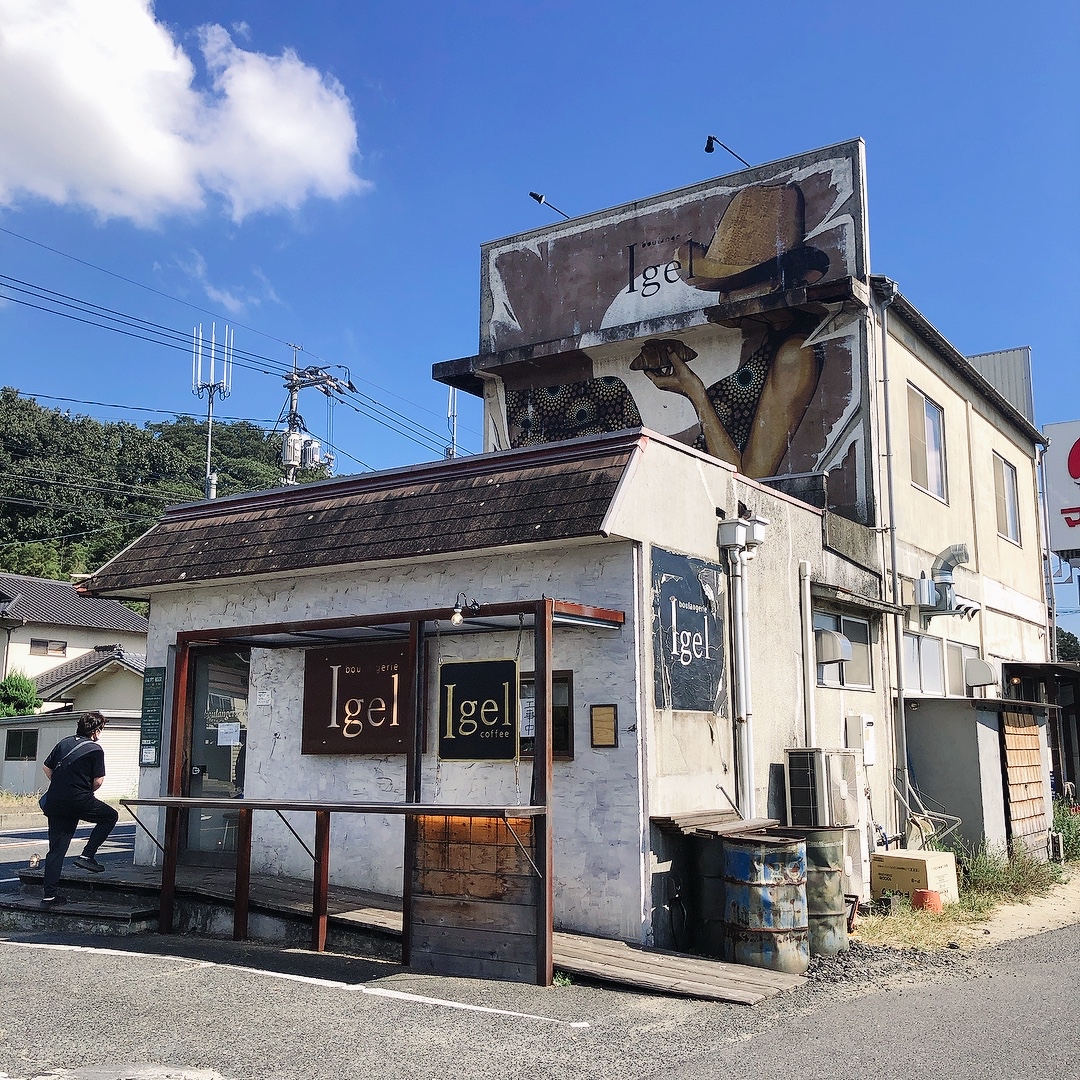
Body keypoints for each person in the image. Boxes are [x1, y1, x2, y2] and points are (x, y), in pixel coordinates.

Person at [39, 711, 119, 904]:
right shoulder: (95, 750)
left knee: (56, 850)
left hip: (56, 801)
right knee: (110, 816)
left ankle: (49, 895)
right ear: (95, 731)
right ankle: (87, 854)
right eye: (101, 729)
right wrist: (81, 789)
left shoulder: (64, 743)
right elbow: (98, 781)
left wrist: (62, 786)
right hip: (79, 799)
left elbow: (46, 768)